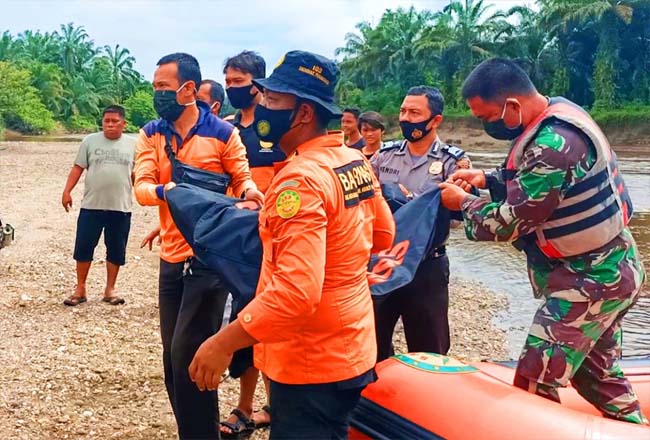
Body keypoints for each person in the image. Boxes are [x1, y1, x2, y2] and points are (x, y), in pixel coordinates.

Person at [188, 50, 395, 438]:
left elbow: (297, 294)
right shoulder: (352, 161)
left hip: (312, 357)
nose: (263, 107)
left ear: (302, 114)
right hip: (353, 341)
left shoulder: (299, 180)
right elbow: (382, 235)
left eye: (273, 100)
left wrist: (222, 343)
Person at [440, 57, 648, 425]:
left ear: (513, 105)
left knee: (534, 380)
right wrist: (485, 179)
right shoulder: (556, 115)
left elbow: (508, 224)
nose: (486, 125)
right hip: (613, 267)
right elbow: (538, 182)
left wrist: (463, 204)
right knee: (596, 373)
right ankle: (634, 429)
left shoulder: (554, 143)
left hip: (592, 279)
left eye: (487, 118)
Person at [133, 52, 263, 439]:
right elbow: (140, 187)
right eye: (155, 87)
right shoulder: (150, 133)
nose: (158, 94)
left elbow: (242, 178)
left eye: (164, 87)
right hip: (171, 256)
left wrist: (252, 194)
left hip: (208, 257)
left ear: (189, 89)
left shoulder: (223, 134)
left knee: (189, 357)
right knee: (172, 364)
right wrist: (167, 191)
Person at [370, 86, 471, 361]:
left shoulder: (453, 162)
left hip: (427, 266)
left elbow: (460, 213)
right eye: (403, 111)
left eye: (415, 113)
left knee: (430, 348)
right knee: (371, 343)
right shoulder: (384, 155)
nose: (406, 118)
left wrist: (411, 200)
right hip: (384, 262)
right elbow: (367, 200)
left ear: (435, 120)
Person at [220, 50, 285, 438]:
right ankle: (245, 406)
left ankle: (275, 405)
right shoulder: (227, 129)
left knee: (272, 322)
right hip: (238, 240)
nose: (232, 88)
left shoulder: (277, 129)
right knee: (245, 322)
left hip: (275, 240)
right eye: (228, 82)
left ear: (257, 84)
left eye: (239, 82)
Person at [61, 105, 135, 306]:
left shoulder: (134, 144)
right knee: (84, 247)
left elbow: (137, 175)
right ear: (102, 122)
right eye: (106, 121)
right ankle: (80, 288)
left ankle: (110, 289)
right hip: (91, 206)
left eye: (115, 121)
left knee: (116, 249)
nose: (110, 125)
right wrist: (67, 191)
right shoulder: (89, 141)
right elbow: (78, 168)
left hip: (120, 207)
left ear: (123, 124)